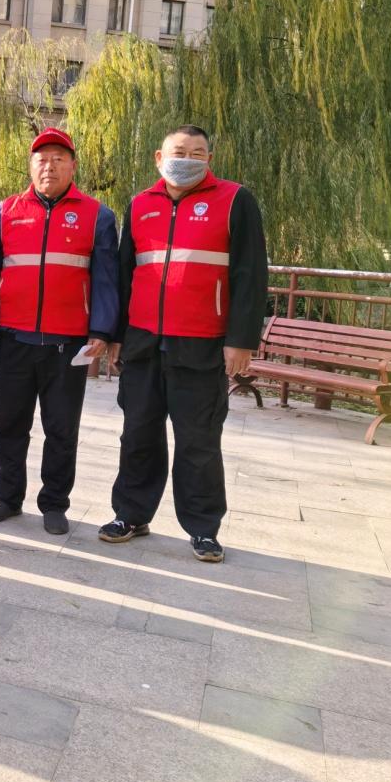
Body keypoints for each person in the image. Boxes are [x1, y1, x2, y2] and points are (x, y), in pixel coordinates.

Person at [100, 125, 268, 563]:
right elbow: (124, 275)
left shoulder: (235, 200)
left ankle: (203, 528)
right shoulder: (140, 204)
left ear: (209, 159)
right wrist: (116, 337)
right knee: (137, 433)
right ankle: (130, 514)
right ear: (160, 157)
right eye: (179, 151)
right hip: (142, 343)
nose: (187, 159)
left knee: (198, 441)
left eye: (197, 152)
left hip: (202, 344)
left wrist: (241, 340)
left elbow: (250, 274)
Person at [0, 128, 120, 534]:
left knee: (61, 428)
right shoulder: (2, 214)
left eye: (58, 158)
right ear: (30, 166)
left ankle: (54, 503)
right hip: (14, 338)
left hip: (67, 344)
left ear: (73, 166)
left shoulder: (98, 216)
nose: (49, 166)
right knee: (10, 425)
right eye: (41, 159)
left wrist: (102, 329)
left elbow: (107, 279)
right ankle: (7, 497)